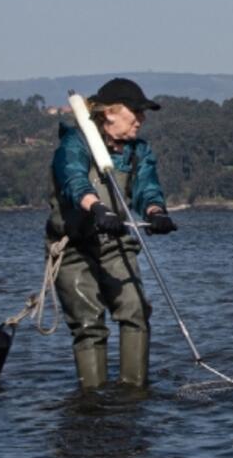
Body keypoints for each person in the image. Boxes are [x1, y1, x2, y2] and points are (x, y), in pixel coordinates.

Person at [49, 77, 178, 390]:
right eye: (136, 111)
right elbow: (72, 178)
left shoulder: (138, 151)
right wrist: (96, 208)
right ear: (110, 113)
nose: (141, 119)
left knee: (135, 310)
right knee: (88, 322)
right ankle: (92, 398)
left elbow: (146, 187)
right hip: (74, 247)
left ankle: (133, 392)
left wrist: (155, 212)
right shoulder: (75, 143)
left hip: (115, 242)